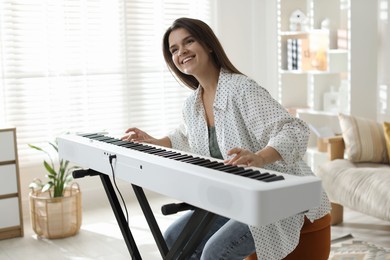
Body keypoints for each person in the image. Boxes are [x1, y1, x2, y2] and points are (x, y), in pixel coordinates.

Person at [122, 17, 331, 260]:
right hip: (236, 199)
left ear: (208, 45)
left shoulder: (242, 89)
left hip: (277, 199)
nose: (182, 52)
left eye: (189, 41)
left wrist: (260, 157)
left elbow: (294, 130)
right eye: (174, 49)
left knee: (215, 252)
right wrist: (154, 141)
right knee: (171, 238)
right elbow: (185, 135)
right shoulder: (192, 104)